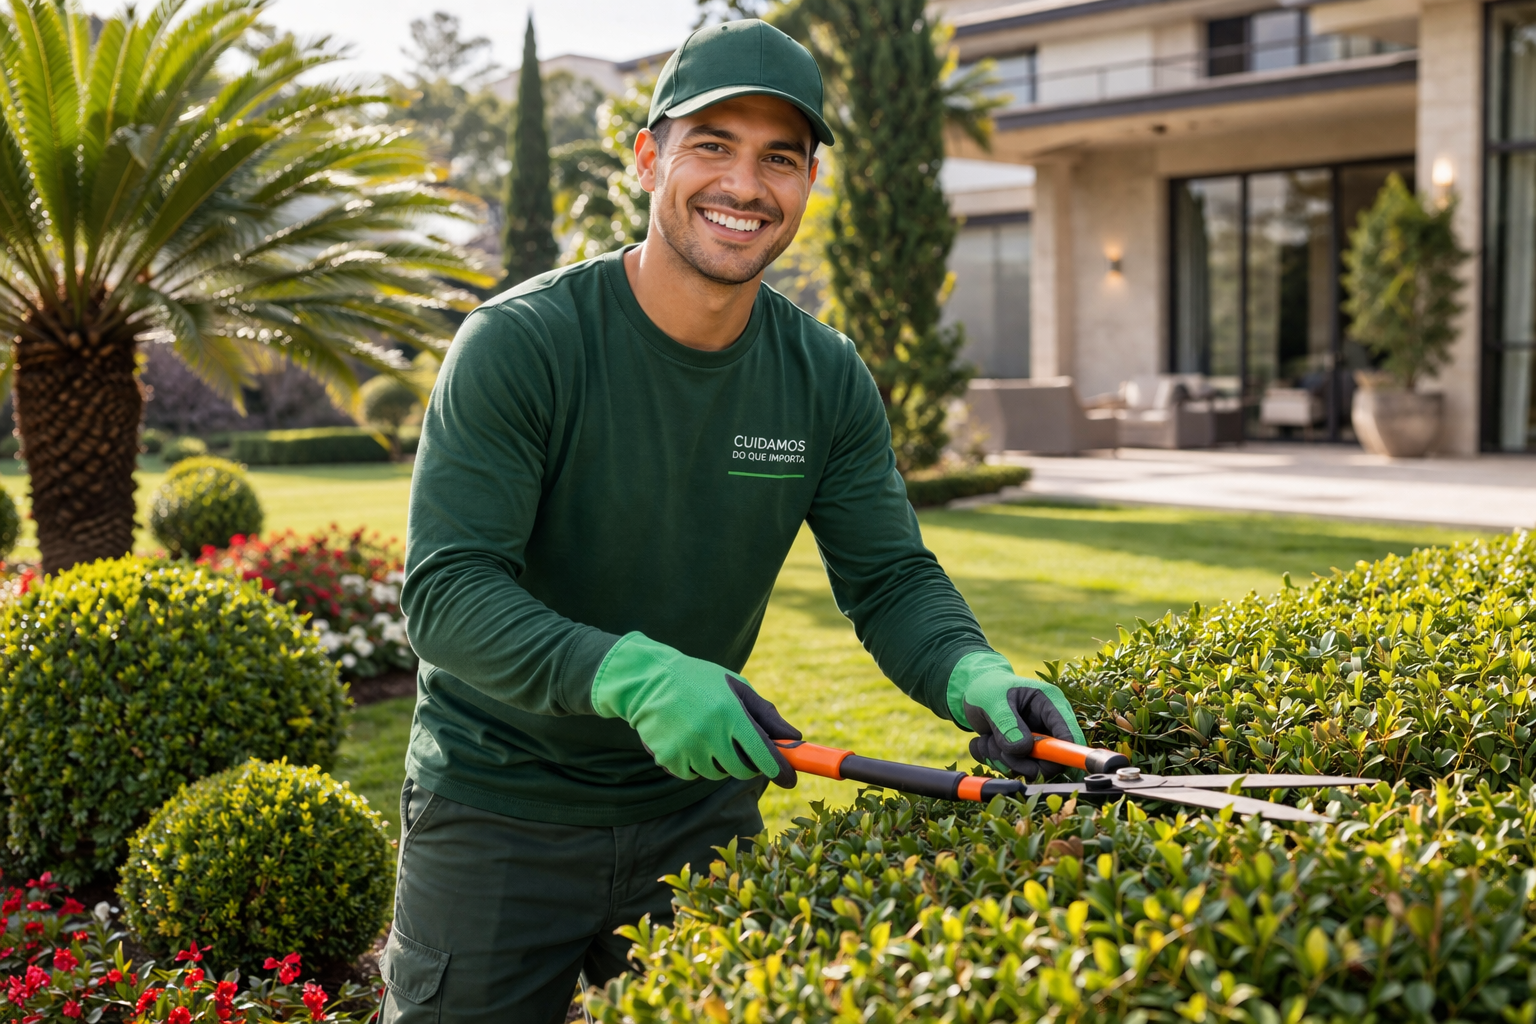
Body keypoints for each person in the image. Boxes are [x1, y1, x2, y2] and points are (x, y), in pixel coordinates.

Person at [383, 18, 1085, 1023]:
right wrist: (634, 673)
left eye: (780, 159)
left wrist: (974, 673)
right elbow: (448, 596)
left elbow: (888, 579)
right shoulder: (521, 345)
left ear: (807, 184)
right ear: (647, 158)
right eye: (711, 145)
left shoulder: (823, 376)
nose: (745, 186)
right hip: (500, 808)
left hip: (696, 812)